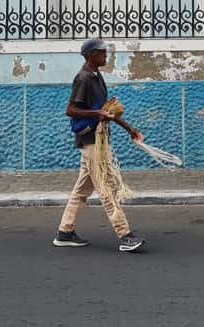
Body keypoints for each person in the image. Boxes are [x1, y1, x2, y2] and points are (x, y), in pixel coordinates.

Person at [54, 38, 146, 252]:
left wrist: (129, 129)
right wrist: (96, 113)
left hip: (98, 139)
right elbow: (70, 110)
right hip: (90, 140)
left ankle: (65, 232)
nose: (105, 55)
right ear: (90, 55)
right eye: (101, 52)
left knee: (81, 191)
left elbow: (107, 110)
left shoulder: (96, 76)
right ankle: (125, 235)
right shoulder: (84, 78)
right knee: (107, 188)